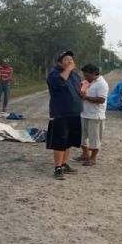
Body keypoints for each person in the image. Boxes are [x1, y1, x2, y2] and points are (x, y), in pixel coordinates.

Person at [46, 50, 82, 180]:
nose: (70, 61)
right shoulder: (54, 75)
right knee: (60, 141)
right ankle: (57, 168)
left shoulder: (74, 75)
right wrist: (68, 70)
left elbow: (78, 89)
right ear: (60, 62)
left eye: (71, 59)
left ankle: (64, 163)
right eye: (67, 59)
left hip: (75, 113)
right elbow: (60, 83)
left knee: (69, 141)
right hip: (61, 113)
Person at [77, 63, 109, 166]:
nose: (85, 77)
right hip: (84, 113)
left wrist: (85, 98)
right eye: (84, 75)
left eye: (87, 75)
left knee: (94, 138)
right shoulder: (87, 82)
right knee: (81, 137)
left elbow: (101, 99)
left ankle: (93, 158)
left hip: (96, 115)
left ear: (94, 73)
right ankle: (85, 154)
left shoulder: (102, 84)